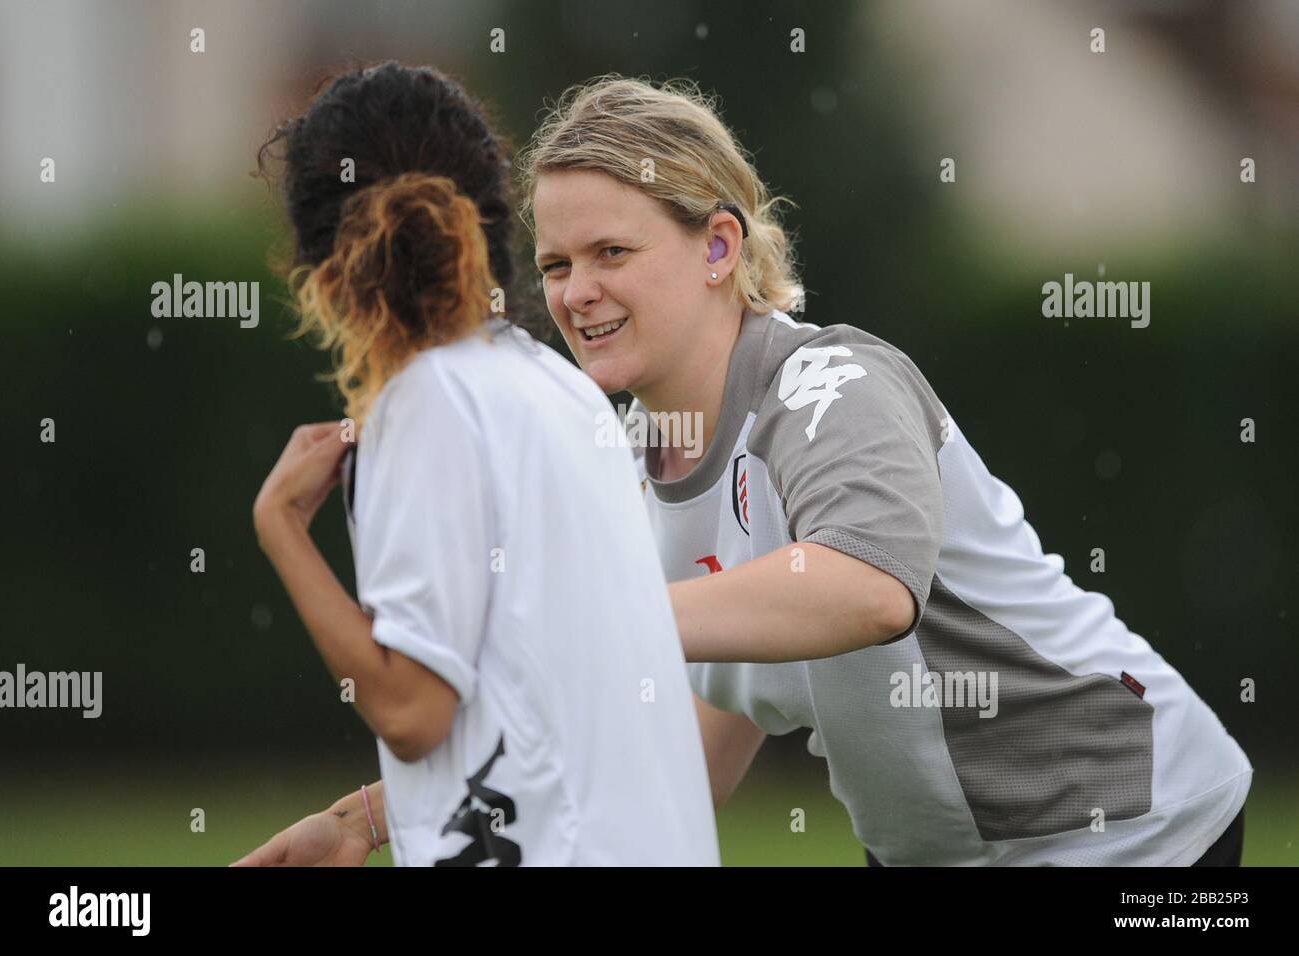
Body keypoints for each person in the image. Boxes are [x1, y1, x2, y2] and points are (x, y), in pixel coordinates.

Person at [519, 75, 1253, 866]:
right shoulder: (633, 456)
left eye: (612, 252)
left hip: (1136, 829)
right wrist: (438, 808)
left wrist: (609, 613)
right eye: (555, 265)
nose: (577, 293)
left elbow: (867, 588)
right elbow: (704, 724)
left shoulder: (832, 383)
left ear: (719, 247)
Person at [233, 63, 718, 867]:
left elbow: (413, 712)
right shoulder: (560, 390)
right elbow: (546, 698)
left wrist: (280, 526)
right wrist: (361, 820)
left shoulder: (426, 406)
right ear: (493, 221)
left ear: (326, 266)